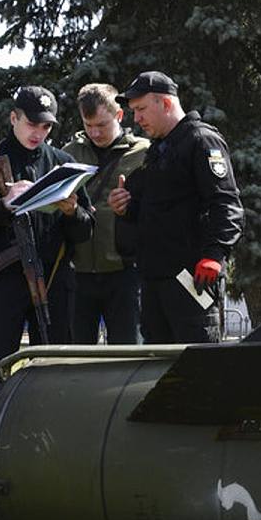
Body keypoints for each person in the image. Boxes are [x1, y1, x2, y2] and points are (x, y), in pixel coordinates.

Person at [0, 85, 95, 373]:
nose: (38, 133)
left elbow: (86, 231)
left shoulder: (63, 164)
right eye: (31, 123)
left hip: (54, 281)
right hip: (4, 281)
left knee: (57, 368)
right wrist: (2, 205)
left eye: (46, 126)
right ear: (13, 118)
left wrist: (71, 212)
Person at [106, 71, 242, 344]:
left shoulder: (201, 140)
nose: (137, 119)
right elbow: (154, 210)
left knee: (197, 365)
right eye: (134, 111)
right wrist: (125, 207)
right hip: (155, 279)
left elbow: (226, 203)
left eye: (142, 109)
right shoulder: (158, 150)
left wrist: (214, 254)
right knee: (156, 367)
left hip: (191, 278)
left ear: (166, 103)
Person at [64, 83, 150, 343]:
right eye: (88, 125)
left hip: (125, 272)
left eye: (102, 124)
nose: (95, 132)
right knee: (74, 355)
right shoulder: (69, 154)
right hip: (78, 272)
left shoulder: (145, 152)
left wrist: (132, 204)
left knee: (127, 352)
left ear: (119, 116)